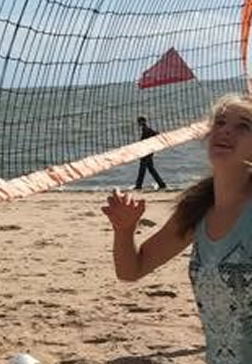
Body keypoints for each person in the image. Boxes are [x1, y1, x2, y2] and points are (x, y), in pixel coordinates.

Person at [103, 93, 252, 363]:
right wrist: (124, 231)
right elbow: (130, 270)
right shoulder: (196, 209)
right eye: (219, 122)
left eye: (244, 126)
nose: (227, 130)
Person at [134, 116, 168, 190]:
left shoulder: (146, 130)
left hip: (147, 153)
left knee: (142, 170)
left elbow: (155, 134)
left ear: (142, 122)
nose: (138, 123)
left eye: (139, 121)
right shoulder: (146, 129)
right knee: (151, 169)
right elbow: (156, 134)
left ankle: (138, 186)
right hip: (148, 152)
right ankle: (161, 184)